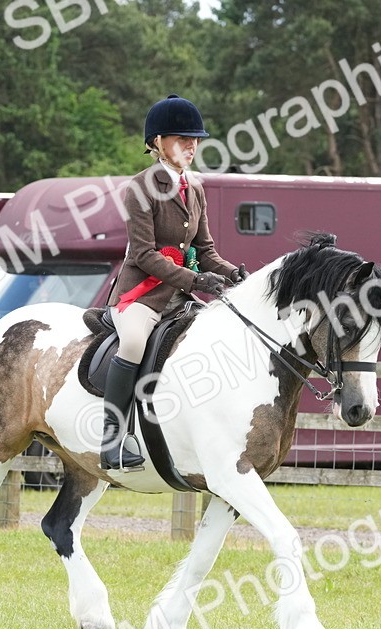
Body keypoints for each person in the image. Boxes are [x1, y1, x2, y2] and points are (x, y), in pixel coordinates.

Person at [101, 94, 245, 471]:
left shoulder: (195, 189)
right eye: (183, 139)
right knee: (132, 343)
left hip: (180, 299)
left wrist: (235, 275)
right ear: (158, 143)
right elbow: (145, 255)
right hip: (141, 296)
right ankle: (112, 438)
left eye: (195, 139)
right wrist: (197, 279)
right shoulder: (140, 187)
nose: (192, 145)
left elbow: (207, 249)